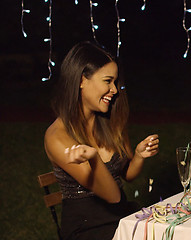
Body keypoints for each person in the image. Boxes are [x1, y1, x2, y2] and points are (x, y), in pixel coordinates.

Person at [44, 41, 160, 240]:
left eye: (115, 82)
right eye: (108, 81)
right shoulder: (58, 137)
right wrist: (95, 158)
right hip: (88, 229)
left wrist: (139, 157)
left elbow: (127, 174)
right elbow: (112, 196)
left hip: (122, 218)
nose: (114, 89)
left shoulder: (107, 122)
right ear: (82, 80)